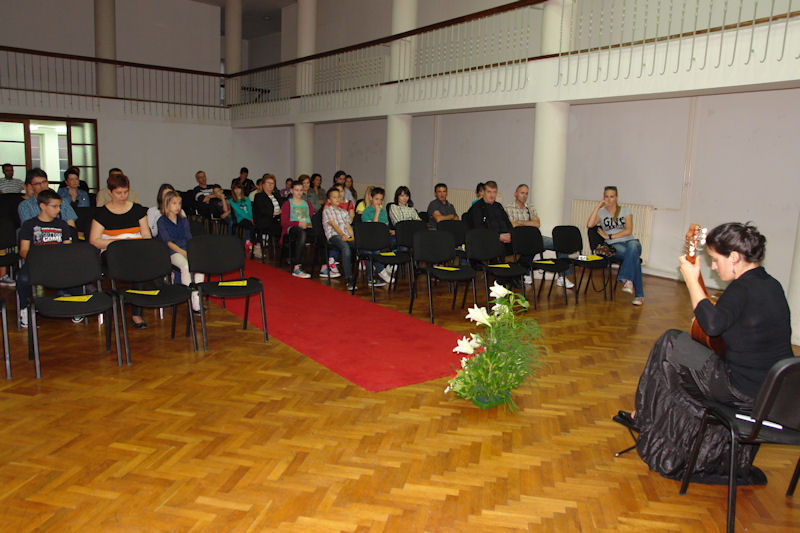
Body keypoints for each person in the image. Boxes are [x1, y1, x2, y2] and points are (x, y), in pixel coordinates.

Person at [620, 222, 793, 486]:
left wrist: (691, 279)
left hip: (741, 391)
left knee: (669, 343)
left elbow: (712, 325)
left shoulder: (741, 289)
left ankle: (645, 418)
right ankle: (658, 421)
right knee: (682, 347)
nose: (713, 266)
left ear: (734, 257)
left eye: (715, 259)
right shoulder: (772, 285)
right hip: (774, 393)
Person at [89, 173, 150, 328]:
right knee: (135, 263)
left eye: (125, 192)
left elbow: (146, 235)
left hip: (135, 250)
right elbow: (94, 240)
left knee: (142, 264)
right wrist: (119, 243)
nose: (123, 196)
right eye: (118, 193)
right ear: (110, 192)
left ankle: (137, 313)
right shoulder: (102, 213)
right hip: (113, 251)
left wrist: (133, 244)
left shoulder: (137, 210)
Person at [16, 189, 73, 327]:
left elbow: (68, 248)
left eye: (59, 206)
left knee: (76, 274)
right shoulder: (29, 225)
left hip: (58, 262)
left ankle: (75, 304)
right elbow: (23, 250)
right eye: (54, 206)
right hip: (37, 263)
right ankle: (25, 309)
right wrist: (37, 258)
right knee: (23, 279)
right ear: (42, 206)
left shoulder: (62, 225)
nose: (58, 209)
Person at [506, 183, 573, 288]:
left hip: (535, 237)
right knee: (530, 247)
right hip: (520, 239)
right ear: (516, 193)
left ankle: (562, 277)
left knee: (560, 244)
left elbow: (537, 224)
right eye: (522, 193)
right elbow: (513, 225)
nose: (524, 196)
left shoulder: (530, 207)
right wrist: (529, 222)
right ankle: (527, 272)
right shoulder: (508, 208)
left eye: (526, 193)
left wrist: (520, 222)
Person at [586, 185, 644, 305]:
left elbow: (628, 230)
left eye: (611, 197)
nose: (609, 199)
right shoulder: (601, 213)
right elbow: (590, 225)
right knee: (635, 259)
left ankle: (625, 278)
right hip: (615, 245)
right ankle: (638, 295)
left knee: (633, 247)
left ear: (616, 198)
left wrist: (610, 236)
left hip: (630, 241)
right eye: (606, 197)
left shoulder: (625, 210)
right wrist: (598, 207)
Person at [156, 190, 203, 312]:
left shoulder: (183, 220)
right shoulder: (162, 221)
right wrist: (183, 253)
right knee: (186, 266)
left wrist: (191, 252)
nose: (178, 206)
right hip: (171, 252)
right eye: (174, 203)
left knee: (199, 267)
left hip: (186, 249)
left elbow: (189, 238)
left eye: (179, 203)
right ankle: (189, 296)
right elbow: (168, 242)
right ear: (167, 204)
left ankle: (197, 299)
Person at [280, 179, 315, 279]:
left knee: (321, 233)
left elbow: (310, 218)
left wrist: (306, 224)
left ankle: (325, 266)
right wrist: (298, 223)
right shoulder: (288, 204)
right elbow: (284, 222)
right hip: (293, 228)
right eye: (296, 190)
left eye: (301, 190)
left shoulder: (307, 204)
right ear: (291, 191)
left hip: (306, 227)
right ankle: (297, 267)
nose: (299, 192)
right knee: (301, 233)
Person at [322, 187, 356, 289]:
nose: (337, 199)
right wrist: (342, 235)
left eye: (339, 197)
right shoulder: (327, 211)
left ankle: (371, 277)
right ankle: (349, 278)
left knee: (361, 245)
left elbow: (348, 226)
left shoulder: (344, 212)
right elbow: (333, 225)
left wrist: (353, 238)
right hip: (334, 236)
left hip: (345, 236)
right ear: (329, 200)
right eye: (334, 197)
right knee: (345, 248)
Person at [360, 187, 393, 286]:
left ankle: (382, 268)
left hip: (381, 238)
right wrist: (377, 213)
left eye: (381, 199)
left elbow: (384, 228)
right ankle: (379, 272)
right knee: (370, 250)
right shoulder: (366, 212)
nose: (379, 202)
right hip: (368, 239)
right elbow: (373, 229)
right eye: (376, 199)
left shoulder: (383, 212)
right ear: (371, 198)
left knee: (385, 244)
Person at [467, 180, 512, 248]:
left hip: (505, 240)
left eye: (494, 192)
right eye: (489, 192)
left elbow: (508, 223)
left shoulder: (498, 206)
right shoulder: (476, 208)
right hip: (487, 242)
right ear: (483, 192)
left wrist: (510, 235)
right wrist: (498, 237)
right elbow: (479, 229)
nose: (492, 195)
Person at [253, 174, 283, 258]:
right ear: (263, 184)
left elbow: (283, 206)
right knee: (277, 224)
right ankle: (258, 246)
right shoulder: (259, 196)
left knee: (288, 225)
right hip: (263, 220)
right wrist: (273, 213)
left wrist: (282, 212)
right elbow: (262, 210)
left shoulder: (276, 195)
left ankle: (287, 251)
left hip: (277, 219)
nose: (270, 185)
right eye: (268, 183)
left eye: (272, 183)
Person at [229, 182, 255, 254]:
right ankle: (250, 242)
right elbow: (239, 212)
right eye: (235, 189)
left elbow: (250, 210)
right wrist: (250, 219)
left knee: (255, 225)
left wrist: (251, 218)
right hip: (240, 219)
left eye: (239, 188)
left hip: (249, 217)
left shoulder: (247, 199)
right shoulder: (232, 200)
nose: (237, 190)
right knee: (250, 225)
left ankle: (253, 243)